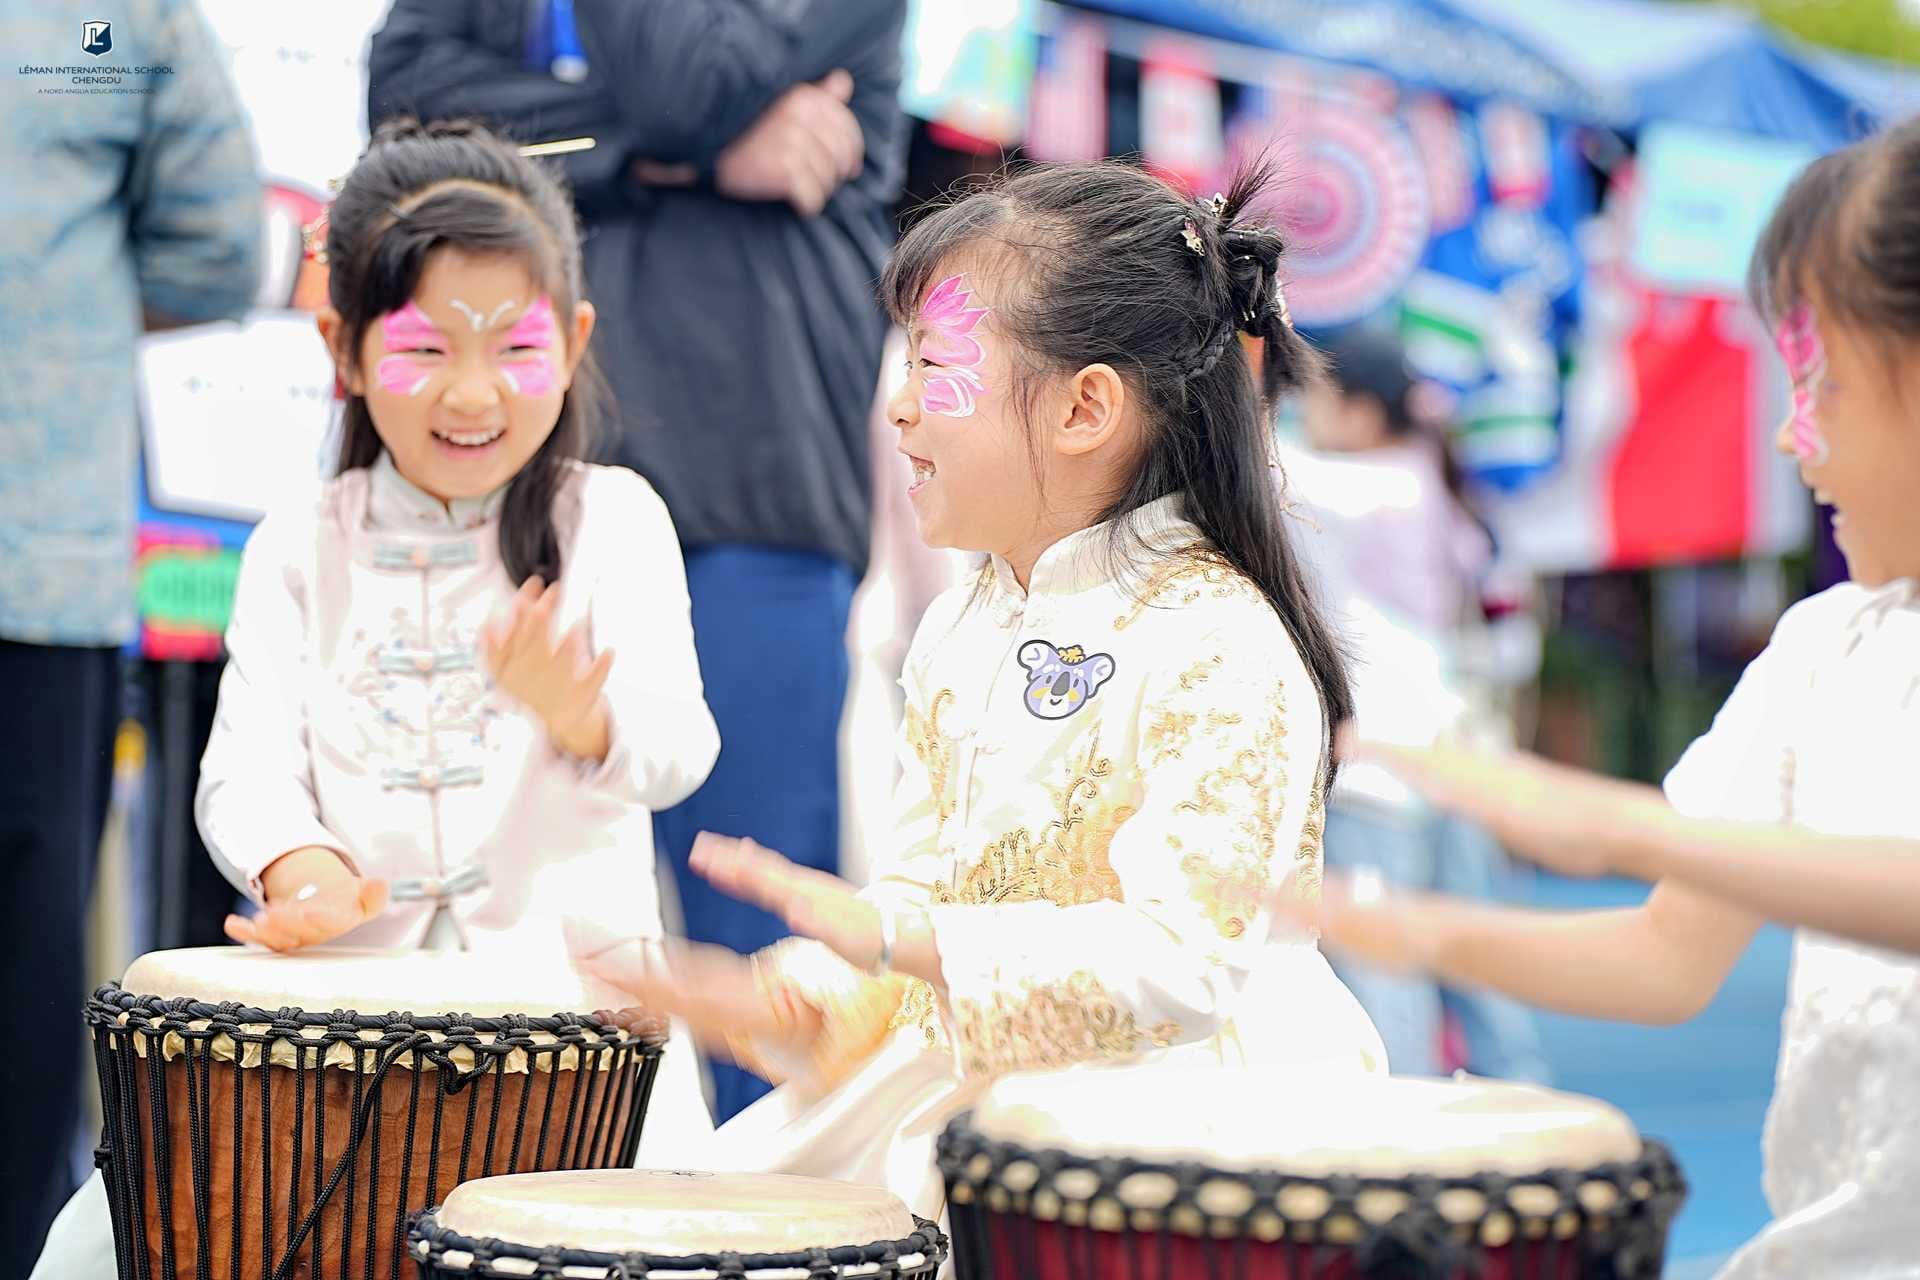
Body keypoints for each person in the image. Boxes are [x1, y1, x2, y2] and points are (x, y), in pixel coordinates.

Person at [583, 161, 1387, 1220]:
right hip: (976, 1088)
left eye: (935, 366)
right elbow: (919, 908)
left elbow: (1187, 963)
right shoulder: (962, 626)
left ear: (1084, 406)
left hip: (1185, 1127)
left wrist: (898, 940)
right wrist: (787, 993)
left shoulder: (1222, 639)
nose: (900, 407)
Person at [31, 119, 720, 1280]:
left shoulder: (618, 519)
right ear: (340, 348)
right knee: (100, 1247)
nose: (471, 389)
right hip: (344, 1017)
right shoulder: (299, 540)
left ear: (578, 335)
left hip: (588, 1025)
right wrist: (299, 869)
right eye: (421, 347)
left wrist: (587, 718)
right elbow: (243, 767)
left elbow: (681, 747)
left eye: (516, 345)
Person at [1294, 117, 1920, 1278]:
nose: (1791, 436)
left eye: (1821, 378)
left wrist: (1616, 822)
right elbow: (1666, 955)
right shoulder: (1825, 645)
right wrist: (1400, 929)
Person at [365, 0, 909, 1121]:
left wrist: (633, 134)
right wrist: (667, 154)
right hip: (521, 486)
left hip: (756, 484)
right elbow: (409, 128)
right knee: (505, 938)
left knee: (758, 955)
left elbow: (681, 80)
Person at [0, 0, 262, 1259]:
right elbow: (217, 241)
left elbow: (222, 243)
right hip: (38, 570)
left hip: (38, 578)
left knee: (23, 993)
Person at [1284, 327, 1550, 1081]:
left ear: (1365, 412)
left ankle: (1399, 1153)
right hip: (1451, 760)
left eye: (1315, 399)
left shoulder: (1361, 490)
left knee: (1384, 969)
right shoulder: (1424, 476)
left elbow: (1261, 465)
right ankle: (1524, 1123)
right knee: (1477, 966)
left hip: (1380, 770)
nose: (1301, 413)